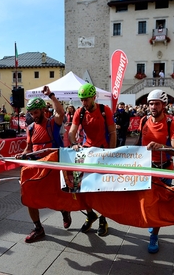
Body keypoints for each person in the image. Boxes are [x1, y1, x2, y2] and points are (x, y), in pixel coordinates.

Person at [15, 86, 71, 243]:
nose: (34, 116)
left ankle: (65, 210)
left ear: (43, 110)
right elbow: (29, 147)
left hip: (53, 167)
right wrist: (23, 154)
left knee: (56, 196)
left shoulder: (52, 123)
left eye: (36, 112)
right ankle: (38, 228)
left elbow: (60, 113)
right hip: (37, 166)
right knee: (28, 194)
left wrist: (51, 95)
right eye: (31, 114)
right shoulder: (31, 128)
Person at [137, 89, 174, 253]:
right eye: (150, 103)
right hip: (146, 169)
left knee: (158, 205)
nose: (153, 107)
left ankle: (154, 236)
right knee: (147, 202)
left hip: (164, 170)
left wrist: (162, 147)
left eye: (157, 103)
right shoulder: (143, 121)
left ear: (163, 105)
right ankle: (154, 223)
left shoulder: (171, 123)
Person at [68, 83, 116, 236]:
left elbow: (113, 133)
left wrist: (111, 154)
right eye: (82, 100)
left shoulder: (104, 110)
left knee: (102, 188)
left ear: (94, 97)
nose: (84, 103)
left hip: (102, 151)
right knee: (77, 185)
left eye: (87, 99)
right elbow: (71, 132)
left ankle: (103, 218)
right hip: (85, 151)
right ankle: (90, 214)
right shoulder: (80, 112)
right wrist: (75, 144)